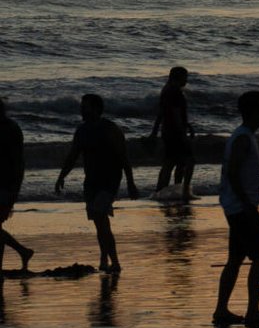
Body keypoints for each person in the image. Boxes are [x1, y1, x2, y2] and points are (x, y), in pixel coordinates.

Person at [214, 91, 259, 328]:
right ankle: (253, 312)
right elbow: (233, 173)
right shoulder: (242, 138)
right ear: (254, 111)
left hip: (236, 207)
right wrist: (247, 204)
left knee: (236, 258)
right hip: (242, 208)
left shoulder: (244, 135)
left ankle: (222, 310)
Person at [55, 93, 138, 273]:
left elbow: (124, 158)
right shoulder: (82, 131)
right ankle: (104, 257)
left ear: (96, 109)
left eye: (85, 107)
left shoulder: (111, 129)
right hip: (91, 181)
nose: (82, 111)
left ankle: (115, 262)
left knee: (101, 220)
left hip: (109, 181)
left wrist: (131, 183)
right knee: (100, 223)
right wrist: (61, 176)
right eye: (81, 107)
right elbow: (73, 155)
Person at [149, 65, 196, 200]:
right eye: (185, 77)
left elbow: (162, 113)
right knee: (188, 161)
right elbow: (175, 114)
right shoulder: (175, 92)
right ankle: (183, 190)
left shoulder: (166, 90)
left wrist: (155, 131)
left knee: (173, 162)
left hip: (168, 131)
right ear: (178, 78)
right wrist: (182, 132)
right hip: (175, 132)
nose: (186, 80)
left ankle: (166, 190)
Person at [0, 98, 33, 273]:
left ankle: (22, 251)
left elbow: (18, 161)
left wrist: (15, 188)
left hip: (5, 184)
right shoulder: (10, 127)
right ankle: (22, 251)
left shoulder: (10, 129)